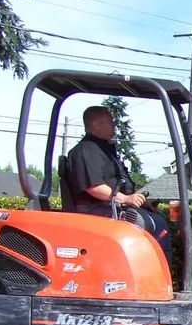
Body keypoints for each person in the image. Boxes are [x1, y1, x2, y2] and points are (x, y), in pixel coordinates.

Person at [66, 106, 172, 266]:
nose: (114, 125)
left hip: (108, 207)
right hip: (93, 210)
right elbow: (94, 187)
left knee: (156, 220)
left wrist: (140, 201)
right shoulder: (86, 151)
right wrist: (126, 199)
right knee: (154, 224)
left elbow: (118, 182)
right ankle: (155, 271)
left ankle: (153, 271)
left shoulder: (104, 150)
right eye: (110, 121)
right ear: (96, 125)